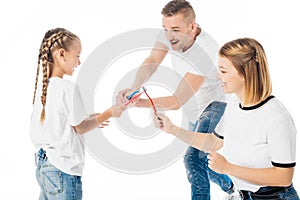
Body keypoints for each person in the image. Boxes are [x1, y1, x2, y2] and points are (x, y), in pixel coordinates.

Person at [117, 0, 237, 199]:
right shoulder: (168, 34)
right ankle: (232, 189)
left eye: (175, 29)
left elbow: (176, 100)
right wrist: (134, 86)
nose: (169, 36)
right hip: (194, 107)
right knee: (206, 160)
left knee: (193, 159)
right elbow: (152, 61)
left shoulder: (205, 50)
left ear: (192, 26)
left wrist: (141, 103)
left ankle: (231, 190)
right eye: (165, 29)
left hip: (215, 106)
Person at [154, 37, 299, 199]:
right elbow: (213, 142)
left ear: (245, 73)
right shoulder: (233, 105)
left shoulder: (276, 118)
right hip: (243, 195)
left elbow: (284, 177)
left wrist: (228, 168)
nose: (217, 76)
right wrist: (172, 129)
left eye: (223, 71)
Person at [30, 28, 125, 200]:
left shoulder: (44, 89)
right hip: (63, 169)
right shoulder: (67, 88)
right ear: (62, 54)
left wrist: (94, 117)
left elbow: (64, 122)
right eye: (77, 56)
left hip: (44, 167)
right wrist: (110, 113)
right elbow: (80, 127)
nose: (79, 62)